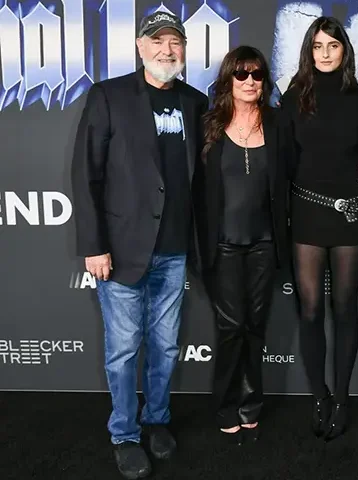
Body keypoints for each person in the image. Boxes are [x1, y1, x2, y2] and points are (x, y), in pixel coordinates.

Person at [70, 11, 207, 479]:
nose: (167, 50)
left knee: (166, 349)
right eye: (158, 42)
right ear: (139, 45)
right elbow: (86, 173)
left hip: (173, 249)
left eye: (175, 42)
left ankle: (157, 421)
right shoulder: (109, 96)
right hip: (121, 249)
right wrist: (94, 244)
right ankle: (125, 434)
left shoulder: (195, 101)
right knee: (124, 350)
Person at [279, 16, 358, 441]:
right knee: (312, 309)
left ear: (344, 50)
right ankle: (319, 394)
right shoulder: (295, 95)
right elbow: (282, 159)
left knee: (345, 309)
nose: (325, 53)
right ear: (308, 50)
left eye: (333, 46)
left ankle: (342, 400)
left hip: (351, 213)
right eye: (318, 46)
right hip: (306, 211)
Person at [193, 46, 288, 445]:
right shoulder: (208, 125)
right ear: (229, 78)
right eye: (242, 74)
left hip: (266, 243)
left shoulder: (279, 124)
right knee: (231, 327)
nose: (250, 81)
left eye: (257, 74)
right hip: (224, 245)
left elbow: (308, 167)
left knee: (254, 326)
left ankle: (252, 403)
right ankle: (225, 404)